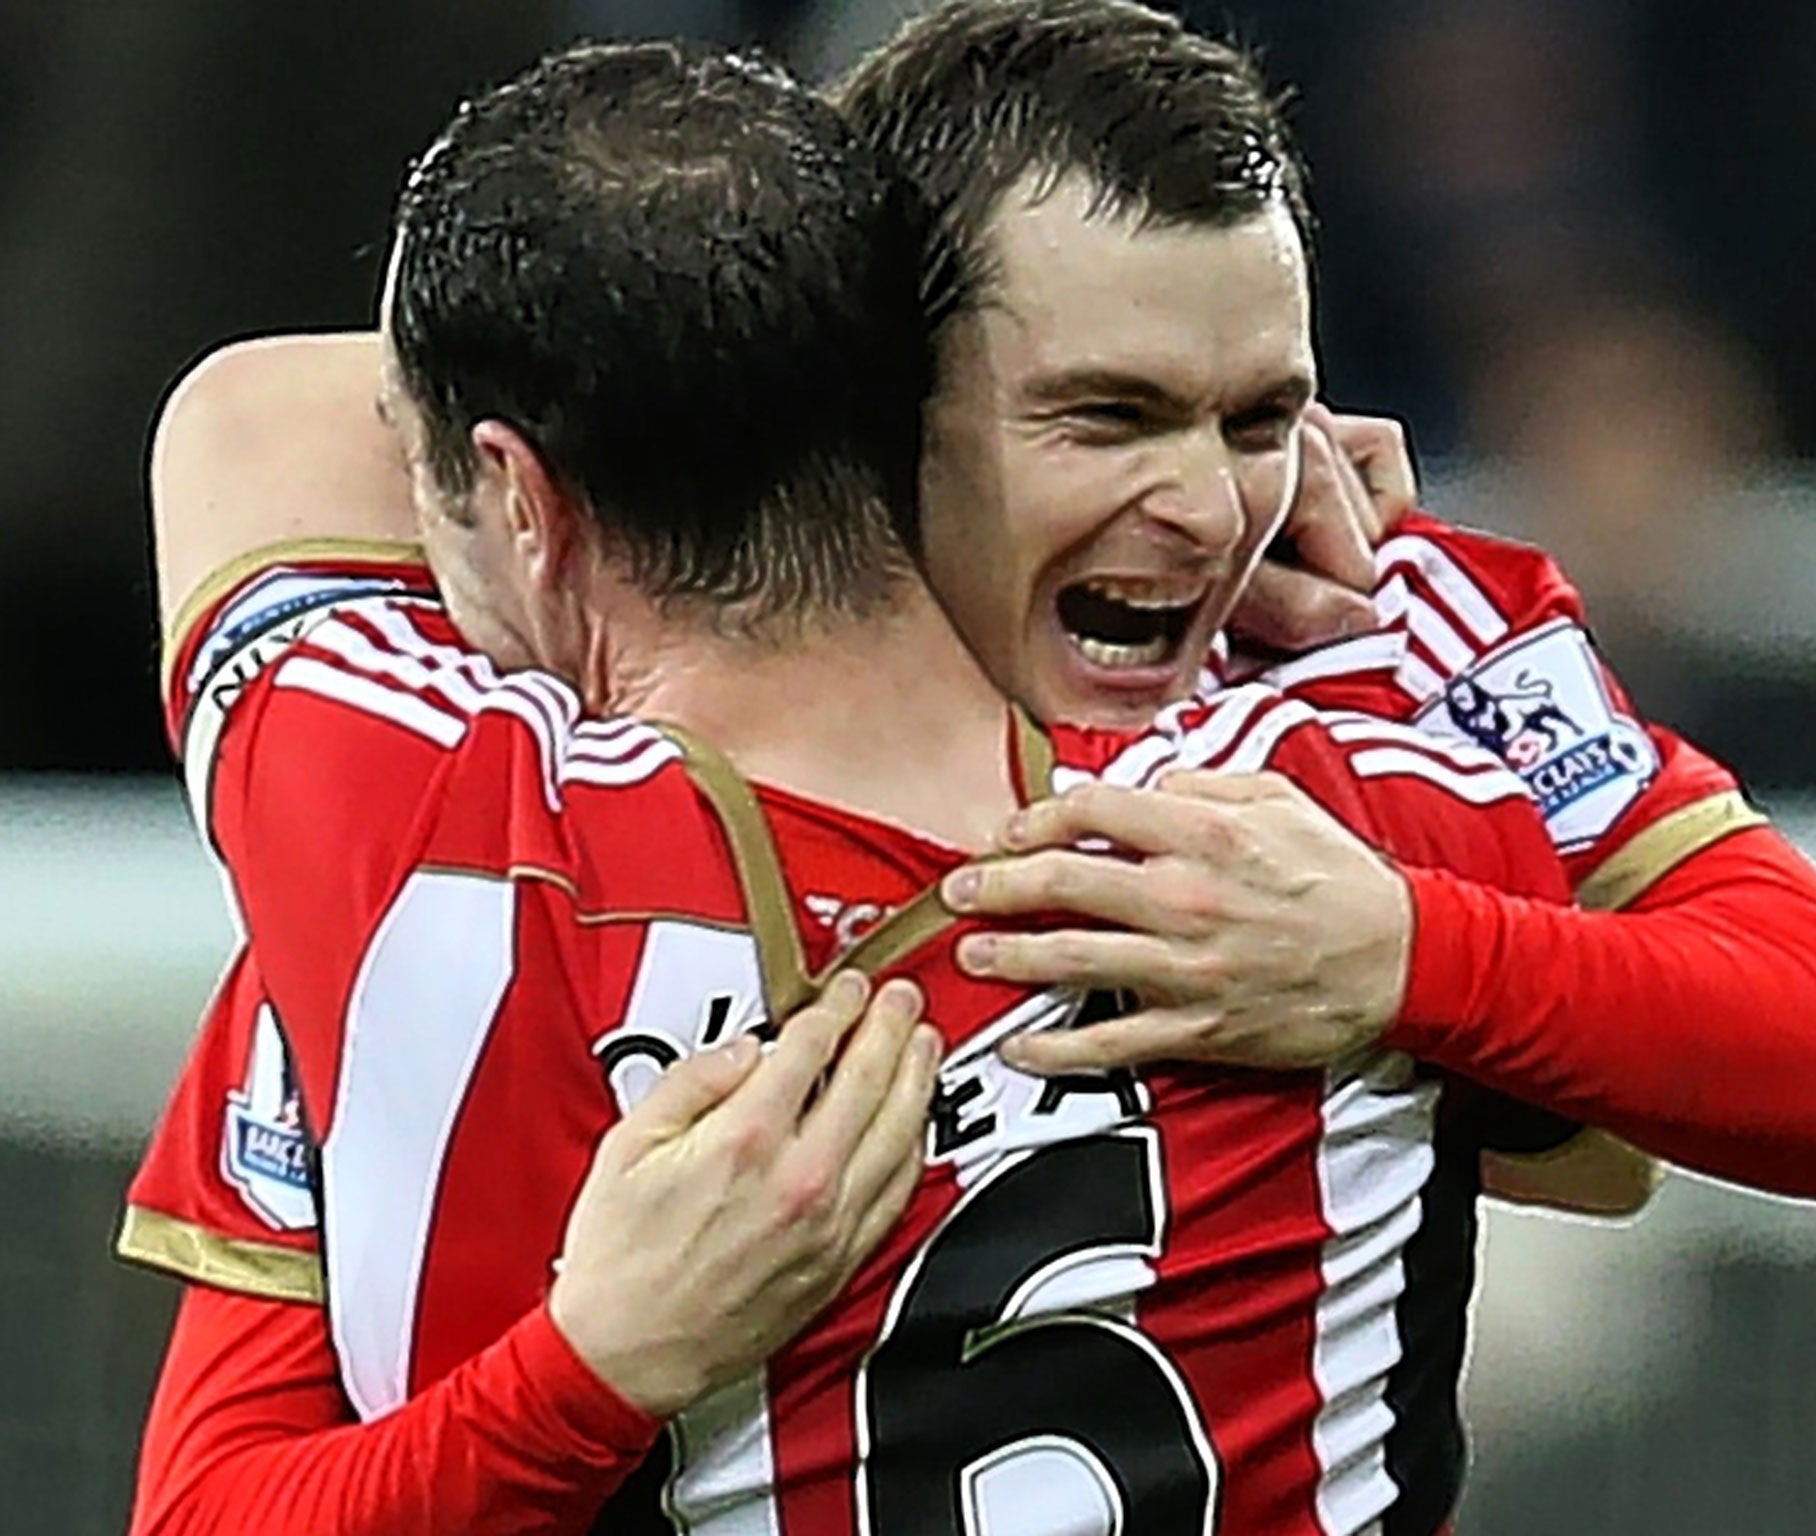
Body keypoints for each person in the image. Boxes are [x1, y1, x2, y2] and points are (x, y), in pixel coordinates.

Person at [124, 37, 1589, 1536]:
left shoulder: (398, 833)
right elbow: (1750, 1094)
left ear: (518, 498)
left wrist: (592, 1372)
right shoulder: (1352, 797)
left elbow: (245, 419)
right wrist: (1430, 955)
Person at [828, 0, 1816, 1211]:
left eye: (1257, 421)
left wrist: (1398, 955)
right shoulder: (669, 657)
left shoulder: (1393, 626)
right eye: (1106, 418)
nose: (1207, 509)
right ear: (872, 404)